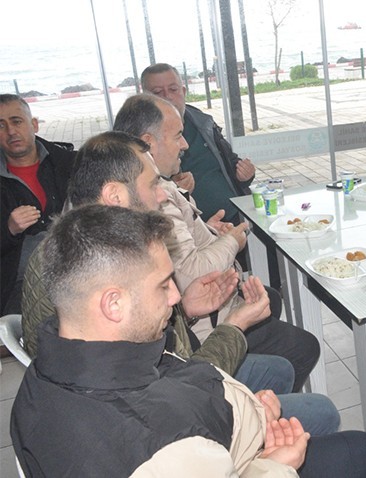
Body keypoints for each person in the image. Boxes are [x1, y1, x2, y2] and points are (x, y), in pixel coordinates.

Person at [12, 205, 366, 477]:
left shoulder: (42, 378)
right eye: (163, 286)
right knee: (360, 448)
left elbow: (176, 386)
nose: (175, 296)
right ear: (113, 303)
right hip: (236, 457)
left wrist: (251, 414)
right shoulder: (163, 448)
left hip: (223, 433)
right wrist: (273, 465)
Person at [21, 131, 340, 436]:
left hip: (160, 396)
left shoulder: (74, 244)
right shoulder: (105, 267)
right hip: (168, 417)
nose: (162, 194)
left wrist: (185, 310)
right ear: (115, 196)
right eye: (153, 184)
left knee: (281, 370)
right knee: (322, 410)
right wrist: (234, 326)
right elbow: (181, 387)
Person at [113, 94, 321, 393]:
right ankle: (258, 405)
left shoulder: (144, 183)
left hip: (190, 318)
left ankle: (258, 388)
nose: (185, 144)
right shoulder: (151, 195)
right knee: (303, 346)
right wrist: (231, 241)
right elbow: (192, 273)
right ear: (149, 142)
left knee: (271, 298)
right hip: (197, 331)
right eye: (178, 136)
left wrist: (210, 231)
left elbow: (182, 250)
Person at [141, 63, 255, 225]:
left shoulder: (202, 122)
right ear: (144, 98)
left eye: (173, 89)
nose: (167, 96)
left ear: (183, 92)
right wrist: (173, 190)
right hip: (188, 229)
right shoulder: (137, 139)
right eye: (158, 92)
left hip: (233, 218)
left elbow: (229, 162)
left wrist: (244, 175)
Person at [0, 94, 75, 315]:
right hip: (19, 286)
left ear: (34, 124)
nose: (11, 131)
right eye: (1, 126)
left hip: (78, 270)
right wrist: (8, 229)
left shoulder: (69, 163)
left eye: (17, 121)